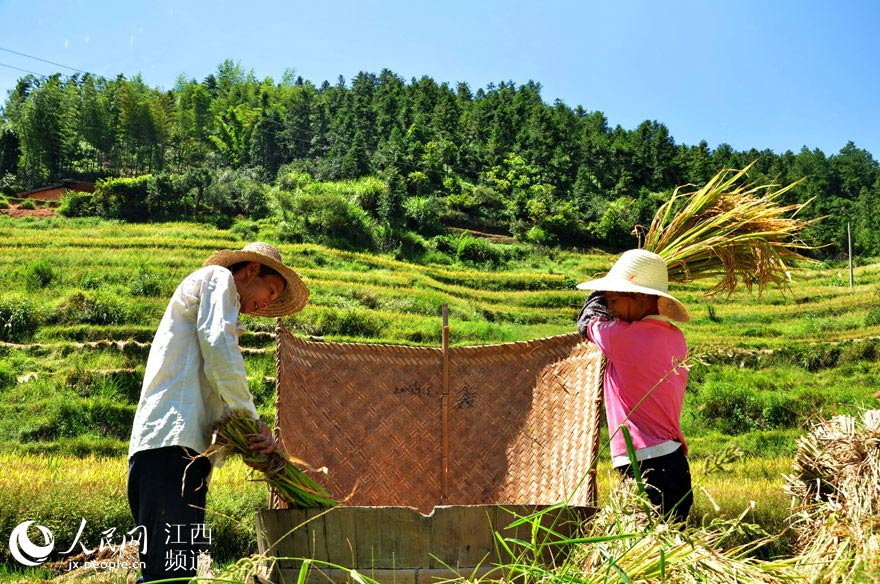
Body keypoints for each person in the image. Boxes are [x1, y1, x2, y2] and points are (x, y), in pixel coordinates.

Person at [127, 242, 309, 581]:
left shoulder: (216, 303)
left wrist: (247, 443)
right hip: (172, 450)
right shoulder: (217, 279)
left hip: (182, 455)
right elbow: (218, 348)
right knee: (168, 574)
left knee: (174, 570)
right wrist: (253, 424)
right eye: (270, 290)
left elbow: (216, 390)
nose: (269, 303)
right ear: (252, 270)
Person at [575, 248, 693, 524]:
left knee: (646, 549)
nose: (612, 308)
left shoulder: (624, 339)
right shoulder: (676, 337)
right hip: (672, 461)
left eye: (614, 299)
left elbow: (587, 321)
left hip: (648, 465)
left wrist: (598, 298)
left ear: (640, 297)